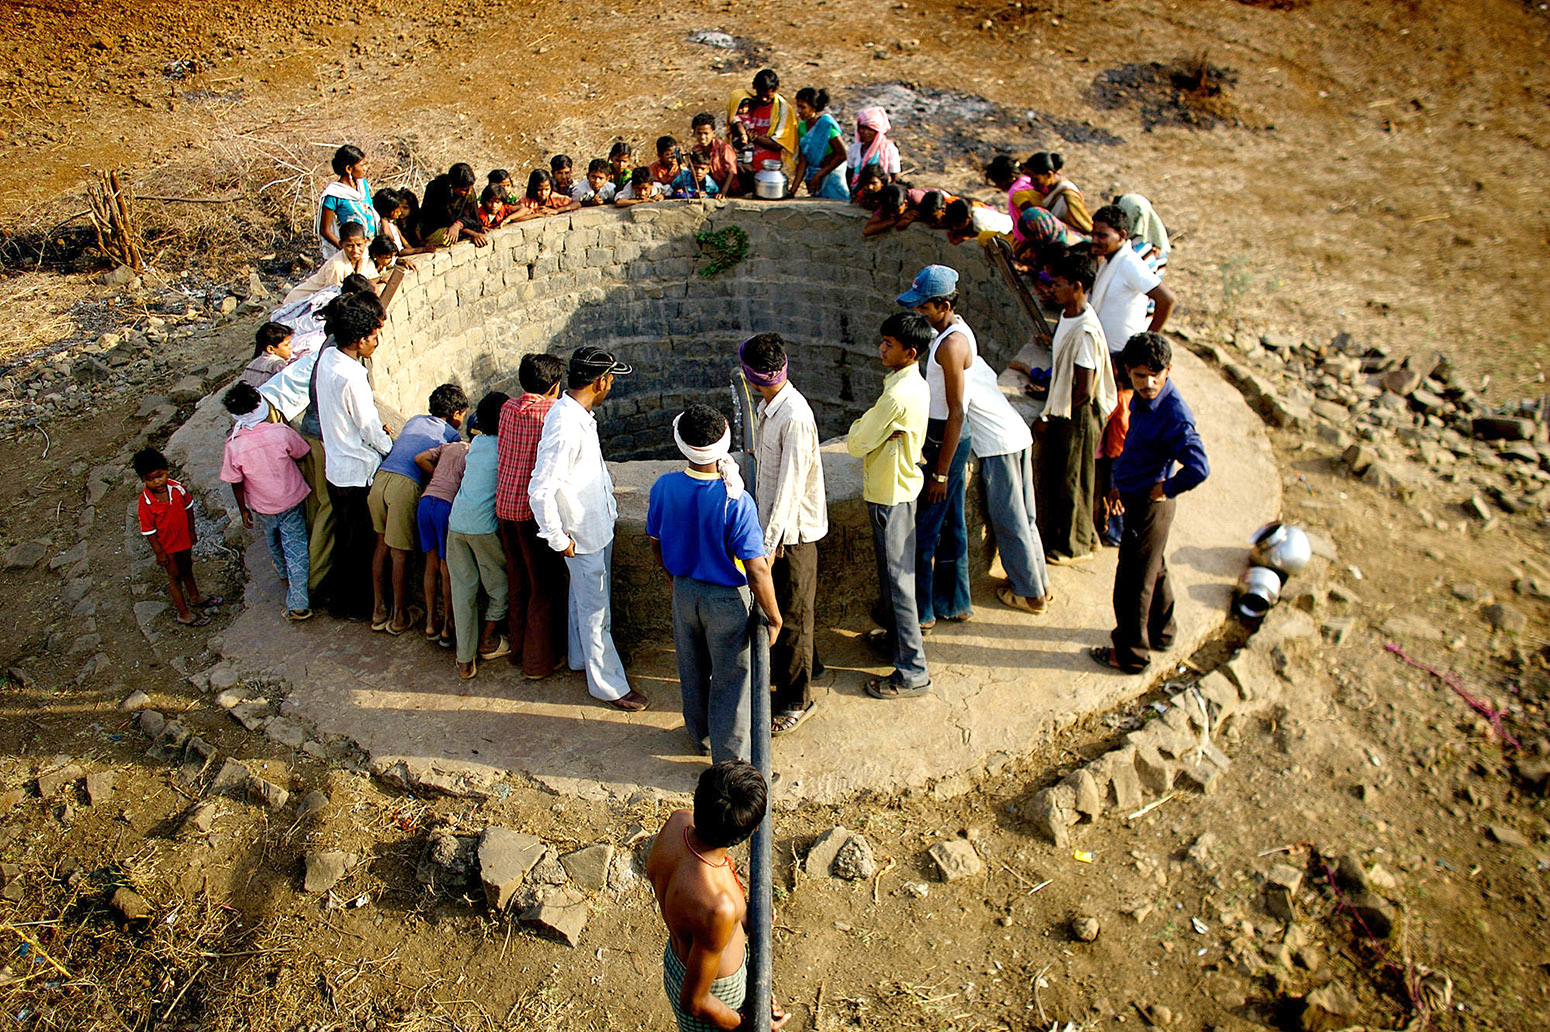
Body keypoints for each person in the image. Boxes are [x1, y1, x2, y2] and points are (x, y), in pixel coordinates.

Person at [647, 405, 781, 763]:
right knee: (732, 680)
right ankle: (731, 761)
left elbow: (656, 544)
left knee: (690, 667)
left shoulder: (664, 487)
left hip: (685, 590)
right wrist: (774, 614)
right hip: (726, 599)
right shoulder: (735, 501)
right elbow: (757, 568)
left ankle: (700, 734)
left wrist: (676, 580)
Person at [528, 346, 649, 712]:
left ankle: (580, 658)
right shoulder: (565, 425)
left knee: (584, 600)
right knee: (597, 611)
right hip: (581, 534)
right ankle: (608, 685)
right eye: (610, 378)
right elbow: (541, 488)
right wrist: (557, 537)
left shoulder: (576, 414)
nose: (611, 384)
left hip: (595, 526)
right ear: (600, 382)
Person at [1094, 332, 1209, 673]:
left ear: (1168, 371)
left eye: (1155, 374)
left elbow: (1199, 467)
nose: (1148, 382)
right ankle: (1162, 632)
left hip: (1151, 506)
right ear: (1128, 371)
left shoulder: (1174, 413)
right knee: (1153, 569)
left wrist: (1167, 488)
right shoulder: (1143, 400)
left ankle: (1130, 655)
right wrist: (1118, 486)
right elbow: (1136, 450)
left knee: (1132, 584)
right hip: (1135, 498)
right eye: (1140, 375)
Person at [647, 761, 789, 1032]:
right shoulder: (718, 906)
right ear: (747, 833)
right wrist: (753, 1023)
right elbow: (696, 1002)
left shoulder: (678, 823)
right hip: (718, 997)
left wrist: (743, 916)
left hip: (678, 963)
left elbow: (699, 924)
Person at [741, 334, 827, 736]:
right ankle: (800, 669)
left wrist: (770, 545)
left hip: (791, 536)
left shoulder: (793, 416)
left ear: (751, 376)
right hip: (775, 530)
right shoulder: (769, 407)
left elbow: (790, 491)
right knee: (789, 615)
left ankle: (797, 699)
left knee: (792, 617)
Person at [848, 312, 932, 700]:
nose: (881, 349)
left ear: (909, 352)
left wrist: (864, 426)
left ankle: (913, 671)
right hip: (898, 488)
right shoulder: (911, 383)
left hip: (890, 495)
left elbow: (857, 442)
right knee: (894, 580)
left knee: (898, 585)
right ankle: (898, 645)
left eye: (889, 345)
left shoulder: (897, 396)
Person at [896, 266, 974, 629]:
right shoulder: (950, 332)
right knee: (952, 523)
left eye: (924, 308)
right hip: (946, 435)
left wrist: (940, 472)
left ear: (943, 305)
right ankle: (955, 602)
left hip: (948, 439)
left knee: (925, 529)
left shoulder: (951, 345)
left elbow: (956, 410)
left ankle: (921, 613)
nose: (919, 314)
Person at [315, 293, 393, 620]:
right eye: (373, 337)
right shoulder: (352, 376)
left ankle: (338, 600)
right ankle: (358, 605)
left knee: (346, 540)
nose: (377, 342)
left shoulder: (328, 360)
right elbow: (369, 428)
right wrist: (391, 448)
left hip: (336, 466)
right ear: (360, 341)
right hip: (357, 470)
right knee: (361, 545)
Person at [1037, 250, 1117, 565]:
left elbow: (1083, 389)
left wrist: (1052, 417)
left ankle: (1073, 546)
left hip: (1080, 413)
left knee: (1073, 477)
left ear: (1077, 286)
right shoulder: (1071, 316)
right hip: (1074, 409)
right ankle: (1086, 535)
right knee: (1075, 475)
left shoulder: (1085, 331)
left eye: (1058, 284)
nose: (1051, 289)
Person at [368, 384, 467, 635]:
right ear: (456, 413)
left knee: (381, 545)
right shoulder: (451, 436)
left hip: (381, 478)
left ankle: (379, 609)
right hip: (404, 485)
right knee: (400, 554)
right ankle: (399, 616)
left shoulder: (414, 421)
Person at [495, 353, 569, 680]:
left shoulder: (508, 409)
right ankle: (537, 663)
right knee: (544, 587)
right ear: (554, 385)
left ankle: (517, 649)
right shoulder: (552, 413)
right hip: (530, 512)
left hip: (504, 506)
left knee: (517, 580)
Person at [219, 382, 313, 622]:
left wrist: (242, 510)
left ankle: (283, 574)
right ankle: (299, 602)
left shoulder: (234, 445)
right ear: (261, 406)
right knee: (296, 548)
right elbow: (302, 452)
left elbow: (235, 481)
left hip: (262, 506)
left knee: (273, 541)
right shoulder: (280, 432)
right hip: (290, 500)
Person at [446, 392, 512, 679]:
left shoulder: (478, 444)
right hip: (483, 527)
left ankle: (464, 659)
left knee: (463, 590)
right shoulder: (505, 447)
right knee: (500, 587)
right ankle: (487, 640)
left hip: (457, 521)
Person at [134, 446, 220, 627]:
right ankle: (183, 613)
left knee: (187, 567)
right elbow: (149, 531)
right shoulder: (146, 503)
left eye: (159, 476)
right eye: (150, 479)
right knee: (174, 576)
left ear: (166, 471)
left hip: (183, 540)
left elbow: (188, 510)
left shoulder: (178, 489)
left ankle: (195, 596)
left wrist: (192, 531)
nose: (157, 482)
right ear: (143, 480)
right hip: (167, 546)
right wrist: (159, 552)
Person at [1089, 204, 1175, 358]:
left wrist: (1146, 342)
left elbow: (1167, 299)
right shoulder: (1109, 261)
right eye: (1093, 235)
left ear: (1122, 236)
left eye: (1102, 236)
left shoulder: (1130, 263)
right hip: (1102, 352)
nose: (1094, 241)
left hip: (1120, 355)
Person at [414, 423, 469, 647]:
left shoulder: (447, 446)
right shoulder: (470, 453)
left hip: (426, 502)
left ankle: (429, 621)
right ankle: (447, 625)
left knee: (431, 564)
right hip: (446, 506)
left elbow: (419, 459)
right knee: (446, 567)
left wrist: (438, 475)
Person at [280, 221, 376, 306]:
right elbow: (333, 298)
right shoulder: (336, 267)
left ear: (366, 242)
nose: (355, 250)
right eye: (349, 246)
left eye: (359, 245)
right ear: (341, 244)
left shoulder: (364, 254)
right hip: (300, 302)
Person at [727, 68, 796, 175]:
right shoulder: (748, 104)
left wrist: (755, 138)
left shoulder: (783, 109)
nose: (763, 99)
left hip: (769, 168)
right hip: (744, 167)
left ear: (776, 89)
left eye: (767, 96)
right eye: (760, 94)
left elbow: (778, 144)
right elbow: (735, 135)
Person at [316, 144, 377, 260]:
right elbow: (325, 230)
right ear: (349, 169)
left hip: (371, 246)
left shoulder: (362, 185)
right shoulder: (334, 194)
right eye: (362, 165)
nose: (365, 168)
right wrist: (346, 249)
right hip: (355, 250)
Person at [792, 88, 848, 200]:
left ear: (813, 108)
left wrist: (819, 175)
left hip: (831, 175)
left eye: (803, 107)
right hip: (815, 177)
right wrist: (793, 190)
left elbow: (842, 154)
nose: (799, 111)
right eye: (798, 106)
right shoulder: (802, 127)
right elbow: (803, 160)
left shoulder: (826, 126)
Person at [415, 162, 488, 248]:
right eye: (464, 190)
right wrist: (469, 232)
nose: (468, 193)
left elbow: (473, 218)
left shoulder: (469, 192)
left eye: (470, 189)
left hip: (460, 227)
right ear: (453, 185)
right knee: (448, 239)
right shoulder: (435, 189)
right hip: (436, 227)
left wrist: (458, 224)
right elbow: (434, 220)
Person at [1025, 152, 1092, 233]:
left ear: (1049, 175)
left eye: (1035, 179)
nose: (1032, 183)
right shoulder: (1051, 190)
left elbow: (1082, 226)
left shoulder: (1067, 196)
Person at [848, 106, 899, 191]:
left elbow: (895, 177)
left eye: (870, 129)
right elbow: (849, 173)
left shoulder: (888, 149)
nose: (865, 132)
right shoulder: (855, 148)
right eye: (862, 128)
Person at [690, 112, 741, 197]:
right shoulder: (695, 150)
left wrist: (723, 192)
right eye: (699, 133)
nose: (702, 137)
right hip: (710, 190)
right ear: (694, 133)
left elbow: (731, 172)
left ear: (713, 133)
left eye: (706, 133)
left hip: (729, 189)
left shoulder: (724, 148)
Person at [941, 198, 1014, 246]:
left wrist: (967, 239)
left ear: (969, 218)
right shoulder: (969, 211)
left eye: (957, 225)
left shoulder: (980, 222)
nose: (954, 227)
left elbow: (994, 238)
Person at [242, 322, 293, 388]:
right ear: (271, 349)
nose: (290, 347)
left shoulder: (252, 364)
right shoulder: (277, 364)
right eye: (286, 345)